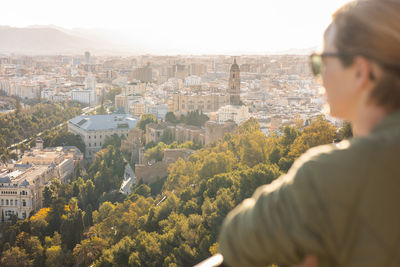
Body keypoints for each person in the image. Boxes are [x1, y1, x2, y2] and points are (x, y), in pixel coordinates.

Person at [217, 0, 400, 266]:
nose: (318, 75)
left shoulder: (329, 176)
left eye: (322, 61)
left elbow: (235, 239)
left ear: (361, 71)